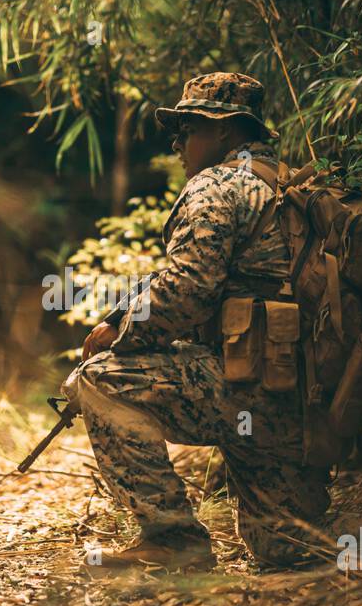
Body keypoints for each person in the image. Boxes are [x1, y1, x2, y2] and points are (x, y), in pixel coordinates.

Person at [62, 72, 330, 571]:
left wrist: (116, 335)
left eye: (188, 128)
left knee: (99, 381)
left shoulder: (217, 185)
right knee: (291, 548)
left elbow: (189, 288)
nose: (177, 141)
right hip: (296, 394)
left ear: (226, 130)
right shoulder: (287, 184)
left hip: (244, 386)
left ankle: (172, 538)